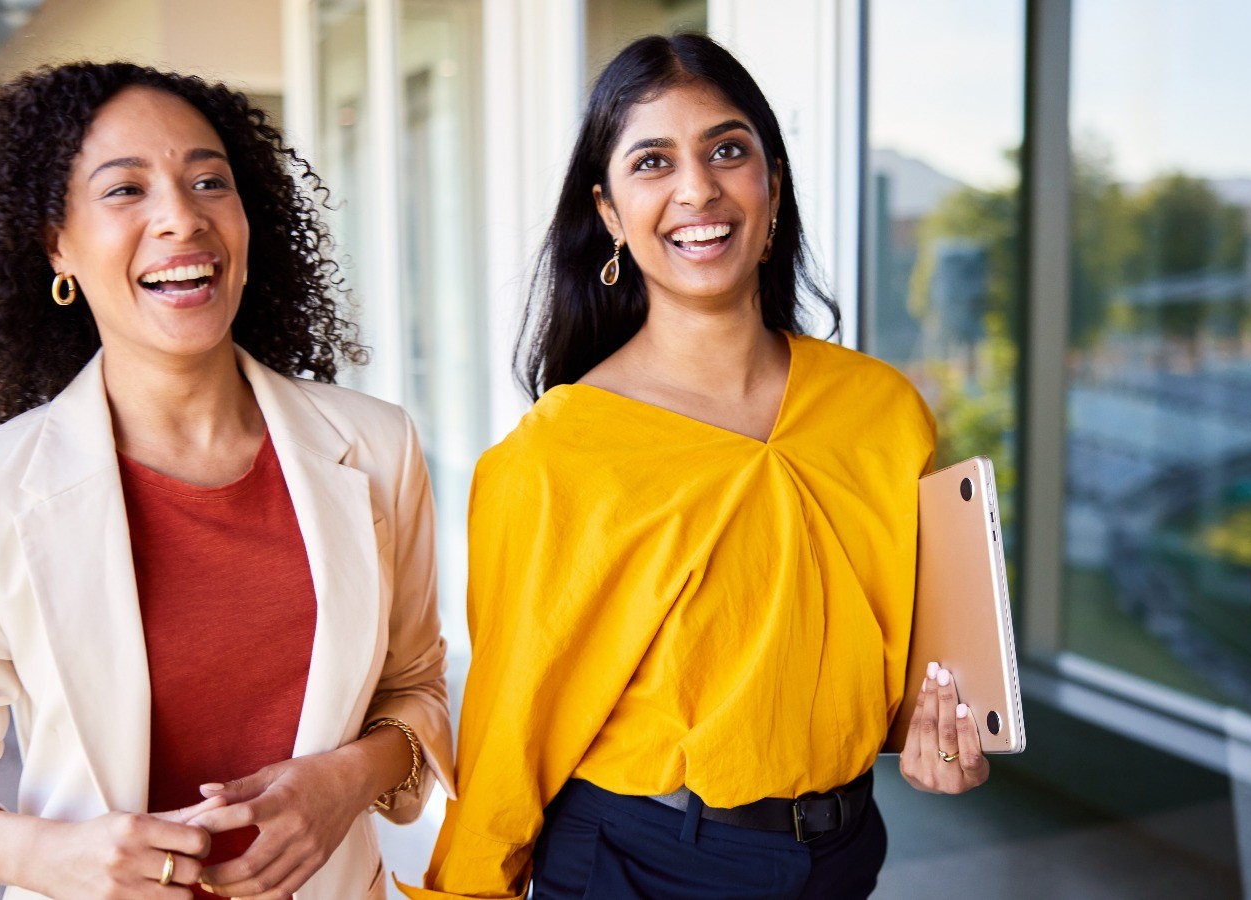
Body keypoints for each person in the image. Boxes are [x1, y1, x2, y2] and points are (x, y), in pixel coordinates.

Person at [400, 34, 988, 900]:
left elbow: (909, 669)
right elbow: (508, 729)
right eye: (652, 161)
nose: (697, 189)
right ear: (608, 214)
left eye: (727, 150)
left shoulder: (885, 411)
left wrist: (947, 737)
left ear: (772, 187)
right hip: (638, 861)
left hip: (845, 849)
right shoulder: (557, 454)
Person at [0, 62, 454, 900]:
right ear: (56, 243)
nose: (182, 218)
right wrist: (52, 857)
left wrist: (347, 780)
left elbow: (415, 687)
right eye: (124, 190)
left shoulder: (375, 445)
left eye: (209, 181)